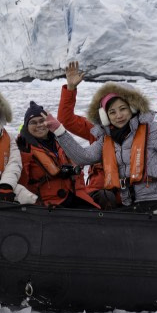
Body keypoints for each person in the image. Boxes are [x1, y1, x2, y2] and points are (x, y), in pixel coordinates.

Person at [44, 82, 157, 215]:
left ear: (133, 108)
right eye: (112, 112)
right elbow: (82, 157)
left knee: (116, 220)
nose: (118, 115)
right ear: (105, 116)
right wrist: (59, 131)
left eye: (123, 109)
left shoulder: (152, 130)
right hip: (132, 202)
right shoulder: (107, 138)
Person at [17, 101, 100, 209]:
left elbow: (78, 174)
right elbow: (21, 182)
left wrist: (81, 192)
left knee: (96, 212)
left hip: (73, 195)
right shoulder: (22, 147)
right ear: (26, 127)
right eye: (33, 122)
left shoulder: (61, 141)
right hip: (46, 203)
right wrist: (24, 155)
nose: (39, 125)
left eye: (42, 121)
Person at [57, 61, 113, 207]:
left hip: (123, 191)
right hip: (97, 189)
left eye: (122, 109)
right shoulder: (96, 130)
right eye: (110, 110)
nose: (117, 114)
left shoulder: (137, 131)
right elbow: (66, 120)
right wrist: (70, 88)